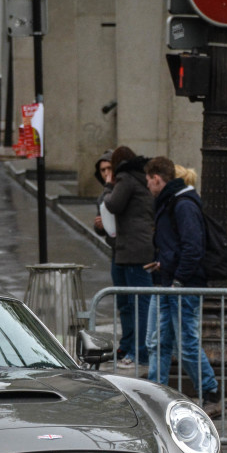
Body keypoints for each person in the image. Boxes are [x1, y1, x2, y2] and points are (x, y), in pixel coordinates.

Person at [142, 155, 222, 419]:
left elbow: (192, 247)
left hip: (180, 285)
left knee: (185, 343)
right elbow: (179, 246)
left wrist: (178, 278)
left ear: (156, 179)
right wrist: (162, 264)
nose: (147, 186)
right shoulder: (173, 202)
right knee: (159, 341)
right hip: (170, 281)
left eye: (148, 180)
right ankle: (156, 394)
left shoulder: (181, 204)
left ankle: (210, 392)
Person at [94, 146, 155, 370]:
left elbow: (111, 204)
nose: (108, 175)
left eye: (111, 168)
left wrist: (110, 186)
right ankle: (131, 347)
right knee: (132, 303)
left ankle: (139, 352)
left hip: (132, 250)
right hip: (128, 249)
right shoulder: (138, 179)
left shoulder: (126, 179)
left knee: (137, 304)